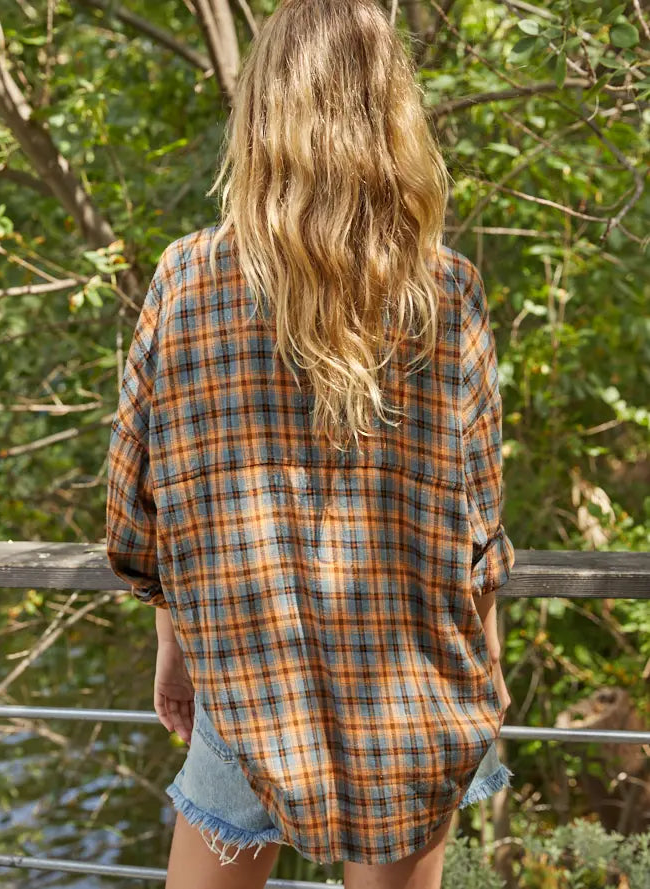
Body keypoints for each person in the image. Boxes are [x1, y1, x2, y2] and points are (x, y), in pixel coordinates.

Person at [105, 0, 516, 887]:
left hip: (245, 685)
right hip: (411, 700)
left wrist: (174, 643)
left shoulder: (186, 279)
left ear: (261, 114)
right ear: (389, 114)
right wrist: (488, 663)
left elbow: (139, 517)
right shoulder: (447, 292)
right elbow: (479, 526)